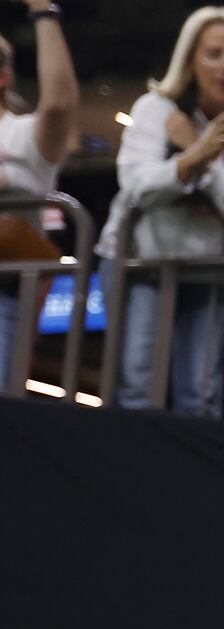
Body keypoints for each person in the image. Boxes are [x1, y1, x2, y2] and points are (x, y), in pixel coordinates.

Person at [98, 5, 224, 417]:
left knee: (201, 399)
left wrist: (201, 157)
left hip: (217, 272)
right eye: (213, 54)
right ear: (190, 59)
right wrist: (195, 158)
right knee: (134, 391)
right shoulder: (156, 109)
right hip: (141, 266)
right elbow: (137, 186)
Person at [0, 0, 78, 393]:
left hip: (5, 294)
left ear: (3, 76)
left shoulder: (23, 135)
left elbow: (60, 104)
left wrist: (43, 12)